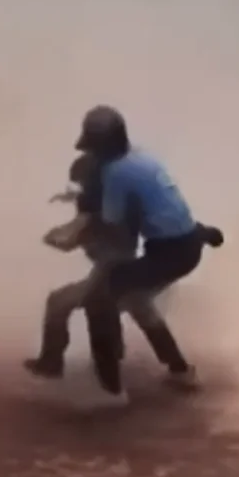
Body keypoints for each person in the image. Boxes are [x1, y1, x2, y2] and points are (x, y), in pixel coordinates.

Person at [61, 105, 224, 408]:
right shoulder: (141, 156)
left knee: (99, 301)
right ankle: (180, 371)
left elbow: (114, 225)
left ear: (102, 148)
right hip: (188, 242)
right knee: (137, 301)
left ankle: (109, 390)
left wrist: (77, 227)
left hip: (170, 252)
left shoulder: (115, 173)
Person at [24, 151, 198, 394]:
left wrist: (55, 237)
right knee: (141, 310)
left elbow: (70, 240)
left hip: (111, 272)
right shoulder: (116, 202)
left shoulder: (100, 213)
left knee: (61, 302)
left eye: (83, 184)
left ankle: (55, 365)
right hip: (125, 270)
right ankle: (178, 369)